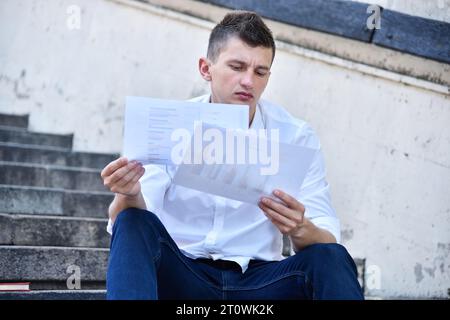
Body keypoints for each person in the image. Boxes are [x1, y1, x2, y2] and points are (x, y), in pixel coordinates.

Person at [101, 11, 364, 300]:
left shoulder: (295, 136)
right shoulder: (171, 123)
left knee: (330, 256)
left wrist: (300, 228)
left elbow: (327, 234)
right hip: (183, 276)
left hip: (260, 283)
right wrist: (128, 193)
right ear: (206, 68)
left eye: (260, 72)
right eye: (237, 67)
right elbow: (130, 221)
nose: (249, 82)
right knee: (132, 220)